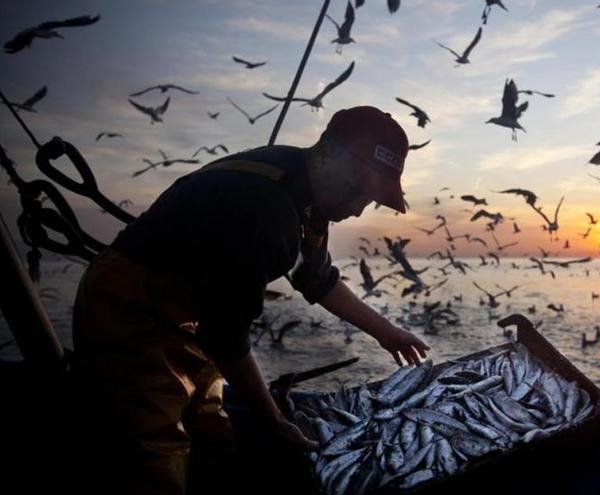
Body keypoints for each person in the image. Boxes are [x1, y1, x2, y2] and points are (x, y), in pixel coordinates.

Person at [72, 106, 430, 494]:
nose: (359, 207)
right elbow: (225, 337)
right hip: (130, 307)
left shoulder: (307, 195)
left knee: (212, 430)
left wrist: (387, 333)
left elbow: (317, 279)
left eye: (371, 198)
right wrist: (273, 419)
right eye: (358, 189)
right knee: (155, 451)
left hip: (191, 313)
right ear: (328, 154)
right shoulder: (267, 209)